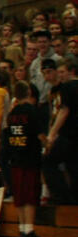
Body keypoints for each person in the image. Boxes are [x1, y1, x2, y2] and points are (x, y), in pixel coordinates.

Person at [1, 80, 47, 237]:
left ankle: (22, 230)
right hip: (30, 158)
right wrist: (47, 144)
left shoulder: (12, 113)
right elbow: (40, 135)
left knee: (19, 196)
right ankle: (29, 230)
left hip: (15, 159)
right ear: (28, 92)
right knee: (30, 197)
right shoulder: (32, 111)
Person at [42, 57, 78, 204]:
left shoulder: (68, 87)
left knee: (48, 162)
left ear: (72, 72)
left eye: (63, 72)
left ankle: (62, 197)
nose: (60, 75)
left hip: (68, 135)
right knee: (73, 167)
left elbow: (64, 111)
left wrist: (51, 135)